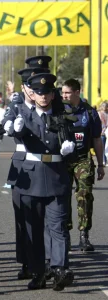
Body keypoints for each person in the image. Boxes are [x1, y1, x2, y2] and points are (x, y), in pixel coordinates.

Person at [11, 73, 76, 291]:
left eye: (47, 92)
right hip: (32, 178)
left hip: (56, 176)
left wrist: (70, 149)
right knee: (34, 229)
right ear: (33, 94)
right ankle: (38, 272)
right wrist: (17, 128)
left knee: (57, 227)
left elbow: (71, 140)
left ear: (52, 93)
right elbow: (14, 132)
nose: (43, 96)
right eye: (39, 92)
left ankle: (59, 269)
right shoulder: (24, 115)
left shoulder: (63, 114)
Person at [2, 65, 49, 280]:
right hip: (23, 165)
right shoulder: (16, 105)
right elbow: (5, 124)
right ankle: (27, 261)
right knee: (23, 217)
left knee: (51, 219)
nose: (34, 91)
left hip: (49, 166)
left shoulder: (52, 104)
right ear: (24, 87)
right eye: (30, 86)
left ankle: (49, 260)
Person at [62, 79, 104, 251]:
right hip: (63, 160)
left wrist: (100, 164)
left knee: (84, 195)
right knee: (62, 197)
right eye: (62, 93)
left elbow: (96, 139)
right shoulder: (58, 110)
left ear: (77, 92)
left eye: (67, 93)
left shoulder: (89, 113)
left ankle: (84, 235)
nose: (63, 96)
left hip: (83, 159)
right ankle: (63, 235)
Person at [97, 101, 108, 165]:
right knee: (103, 148)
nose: (106, 108)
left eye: (106, 106)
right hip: (102, 133)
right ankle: (104, 161)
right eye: (105, 106)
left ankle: (105, 160)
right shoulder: (99, 113)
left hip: (106, 132)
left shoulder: (107, 113)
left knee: (106, 148)